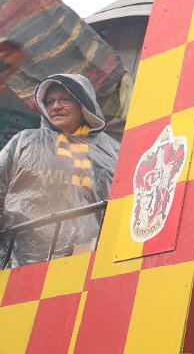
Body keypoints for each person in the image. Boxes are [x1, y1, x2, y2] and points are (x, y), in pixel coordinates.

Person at [0, 74, 119, 267]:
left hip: (89, 258)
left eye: (65, 99)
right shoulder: (24, 141)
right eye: (50, 101)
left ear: (83, 102)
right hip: (24, 259)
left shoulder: (112, 150)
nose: (56, 106)